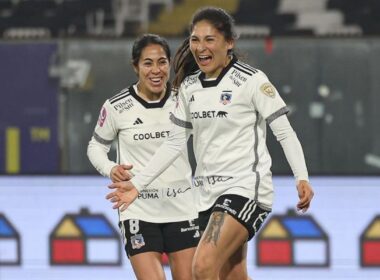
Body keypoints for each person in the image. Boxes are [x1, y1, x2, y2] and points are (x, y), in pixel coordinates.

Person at [106, 7, 314, 280]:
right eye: (195, 39)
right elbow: (173, 143)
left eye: (209, 39)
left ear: (229, 43)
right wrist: (138, 185)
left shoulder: (251, 81)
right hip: (205, 197)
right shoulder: (189, 88)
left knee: (202, 266)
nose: (200, 47)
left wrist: (302, 176)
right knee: (233, 276)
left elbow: (284, 132)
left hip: (244, 190)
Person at [87, 34, 199, 280]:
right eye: (148, 63)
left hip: (182, 208)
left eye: (162, 62)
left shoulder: (185, 100)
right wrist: (110, 167)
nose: (156, 70)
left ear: (169, 64)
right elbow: (95, 146)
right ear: (135, 66)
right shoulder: (117, 106)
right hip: (138, 210)